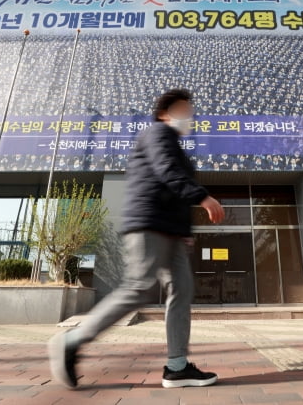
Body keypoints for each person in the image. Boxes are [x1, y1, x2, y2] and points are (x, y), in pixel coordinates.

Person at [48, 88, 225, 389]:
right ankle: (70, 341)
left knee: (182, 290)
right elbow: (167, 172)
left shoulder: (175, 144)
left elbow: (173, 187)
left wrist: (184, 233)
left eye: (189, 110)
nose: (188, 115)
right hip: (149, 224)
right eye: (182, 109)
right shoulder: (158, 134)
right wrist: (204, 198)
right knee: (139, 288)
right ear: (163, 113)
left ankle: (177, 367)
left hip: (171, 231)